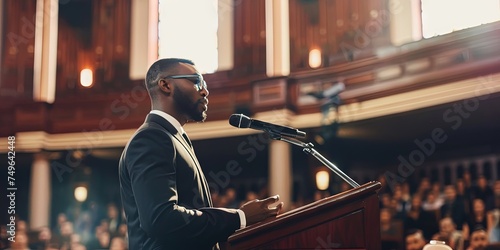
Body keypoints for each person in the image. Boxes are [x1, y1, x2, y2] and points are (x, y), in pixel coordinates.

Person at [119, 58, 283, 250]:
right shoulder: (151, 138)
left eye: (204, 84)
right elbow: (161, 219)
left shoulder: (173, 138)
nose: (205, 91)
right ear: (165, 85)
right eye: (197, 82)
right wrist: (240, 217)